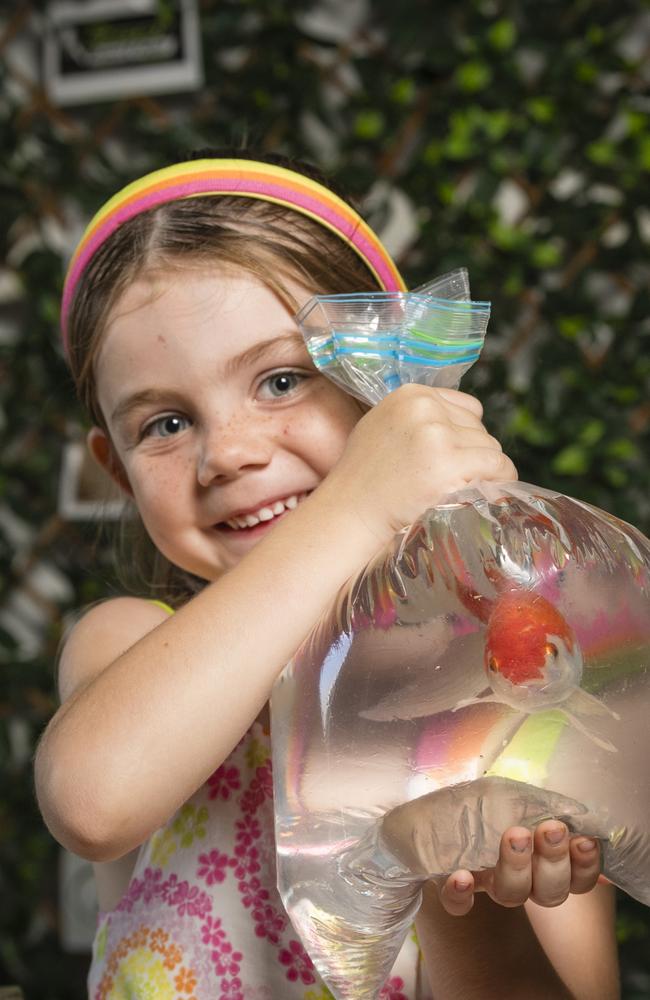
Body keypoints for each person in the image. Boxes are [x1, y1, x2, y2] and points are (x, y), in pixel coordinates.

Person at [35, 152, 619, 999]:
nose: (227, 453)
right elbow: (93, 801)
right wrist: (351, 509)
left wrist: (455, 883)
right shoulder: (130, 642)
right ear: (118, 473)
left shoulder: (508, 696)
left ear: (388, 391)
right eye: (165, 423)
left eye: (281, 380)